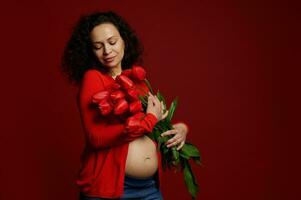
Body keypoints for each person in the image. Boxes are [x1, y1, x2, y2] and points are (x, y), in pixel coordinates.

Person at [61, 11, 189, 200]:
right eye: (98, 46)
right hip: (110, 190)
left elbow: (154, 129)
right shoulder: (93, 79)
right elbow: (96, 137)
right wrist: (150, 119)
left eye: (112, 42)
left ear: (124, 41)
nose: (107, 51)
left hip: (149, 187)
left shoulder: (138, 81)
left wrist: (180, 129)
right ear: (90, 51)